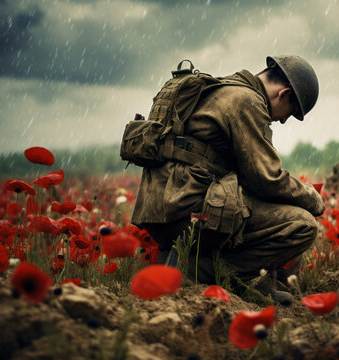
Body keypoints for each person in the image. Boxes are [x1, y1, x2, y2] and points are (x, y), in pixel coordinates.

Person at [131, 55, 325, 300]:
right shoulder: (248, 102)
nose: (284, 120)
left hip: (164, 209)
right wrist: (312, 197)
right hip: (187, 214)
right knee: (303, 225)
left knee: (280, 207)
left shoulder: (224, 88)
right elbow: (266, 179)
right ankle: (199, 272)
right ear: (284, 94)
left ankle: (195, 263)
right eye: (291, 112)